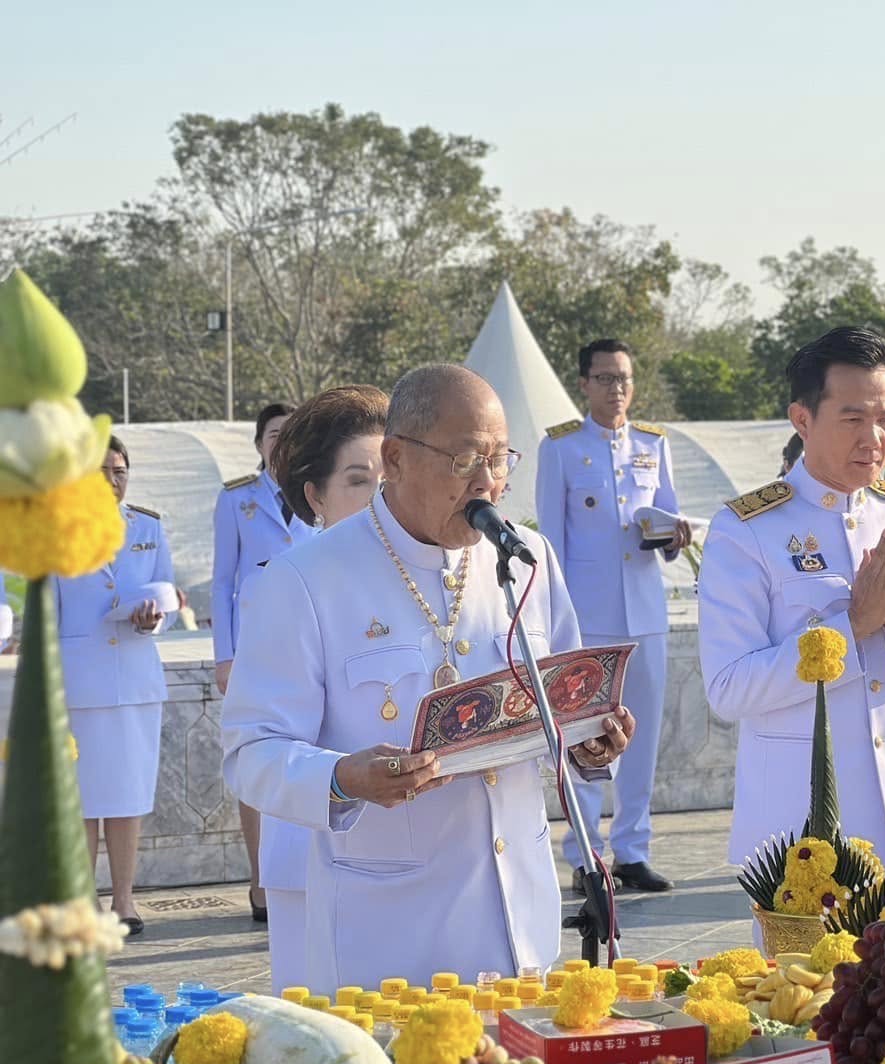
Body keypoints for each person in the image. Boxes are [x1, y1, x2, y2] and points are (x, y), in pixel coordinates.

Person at [221, 364, 633, 991]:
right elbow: (251, 751)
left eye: (500, 459)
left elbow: (569, 702)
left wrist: (591, 745)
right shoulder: (305, 580)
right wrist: (342, 778)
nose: (487, 482)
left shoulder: (526, 561)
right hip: (390, 938)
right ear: (396, 458)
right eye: (465, 460)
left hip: (520, 923)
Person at [698, 327, 885, 871]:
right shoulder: (748, 528)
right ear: (802, 419)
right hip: (800, 833)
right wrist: (851, 628)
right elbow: (728, 688)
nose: (874, 437)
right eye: (852, 419)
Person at [536, 339, 690, 894]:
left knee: (640, 740)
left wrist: (673, 536)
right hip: (588, 615)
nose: (616, 389)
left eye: (623, 378)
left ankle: (631, 850)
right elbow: (550, 542)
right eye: (604, 378)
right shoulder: (560, 448)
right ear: (584, 384)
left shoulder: (652, 443)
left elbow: (669, 519)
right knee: (586, 738)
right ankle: (585, 856)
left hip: (645, 611)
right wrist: (555, 619)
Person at [247, 384, 388, 991]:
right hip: (311, 853)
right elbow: (258, 744)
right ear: (315, 496)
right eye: (358, 480)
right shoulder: (288, 584)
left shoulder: (426, 579)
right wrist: (342, 778)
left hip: (406, 863)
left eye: (389, 477)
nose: (380, 497)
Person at [58, 436, 176, 936]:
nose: (112, 480)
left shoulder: (148, 527)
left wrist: (154, 619)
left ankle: (123, 900)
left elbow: (170, 598)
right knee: (83, 801)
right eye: (101, 470)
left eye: (120, 471)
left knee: (128, 798)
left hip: (134, 682)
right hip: (78, 685)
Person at [213, 402, 315, 922]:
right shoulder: (237, 498)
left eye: (291, 433)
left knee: (306, 755)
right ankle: (260, 878)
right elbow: (222, 581)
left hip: (306, 639)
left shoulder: (319, 489)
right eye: (274, 434)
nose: (282, 441)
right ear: (259, 443)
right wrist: (224, 655)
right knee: (256, 755)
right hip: (253, 643)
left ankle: (305, 871)